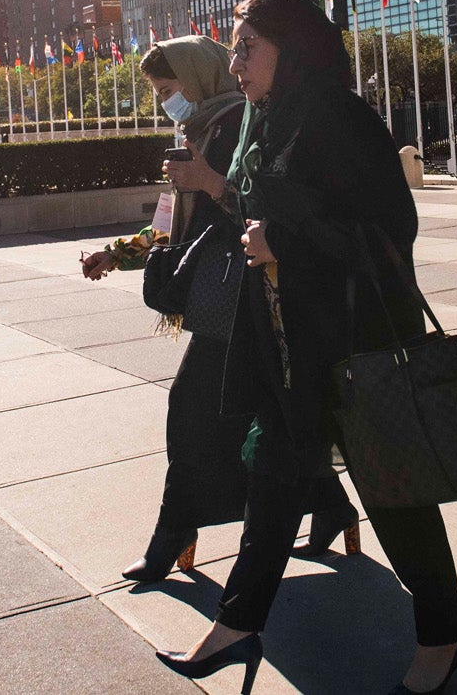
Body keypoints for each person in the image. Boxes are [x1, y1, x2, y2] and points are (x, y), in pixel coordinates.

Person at [151, 0, 457, 695]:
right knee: (270, 476)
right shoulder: (264, 121)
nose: (234, 63)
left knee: (394, 495)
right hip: (283, 338)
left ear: (288, 50)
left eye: (246, 48)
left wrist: (285, 244)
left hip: (351, 341)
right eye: (233, 49)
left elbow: (390, 230)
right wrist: (228, 200)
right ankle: (236, 625)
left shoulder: (338, 117)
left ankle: (443, 639)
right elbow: (254, 205)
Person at [79, 36, 358, 583]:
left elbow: (258, 209)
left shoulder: (242, 123)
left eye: (168, 89)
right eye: (159, 93)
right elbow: (175, 225)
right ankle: (329, 503)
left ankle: (175, 530)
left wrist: (205, 179)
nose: (166, 101)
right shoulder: (198, 129)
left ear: (197, 77)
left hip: (248, 293)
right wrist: (116, 254)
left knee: (191, 414)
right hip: (226, 297)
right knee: (265, 417)